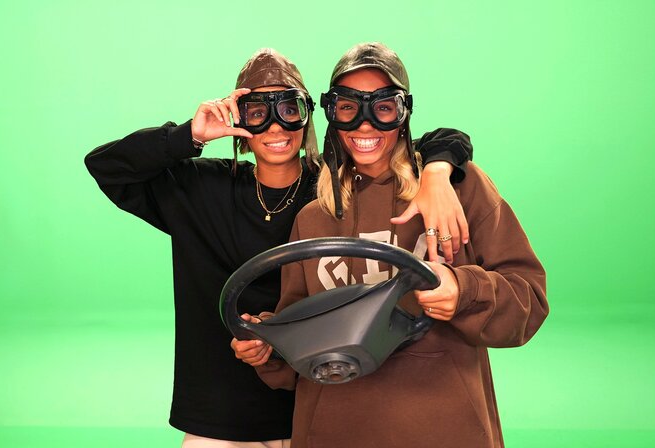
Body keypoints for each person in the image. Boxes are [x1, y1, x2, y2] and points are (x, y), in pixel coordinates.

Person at [85, 48, 473, 447]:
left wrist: (437, 172)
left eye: (289, 110)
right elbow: (107, 166)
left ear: (307, 117)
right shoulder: (198, 190)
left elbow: (432, 141)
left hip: (317, 407)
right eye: (257, 112)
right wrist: (190, 136)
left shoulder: (335, 189)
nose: (275, 126)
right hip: (220, 414)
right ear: (238, 119)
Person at [232, 42, 548, 448]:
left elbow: (528, 302)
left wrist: (463, 290)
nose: (364, 125)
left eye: (383, 108)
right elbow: (297, 345)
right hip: (333, 431)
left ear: (403, 114)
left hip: (444, 429)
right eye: (348, 107)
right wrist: (268, 346)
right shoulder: (313, 218)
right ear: (331, 114)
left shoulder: (456, 190)